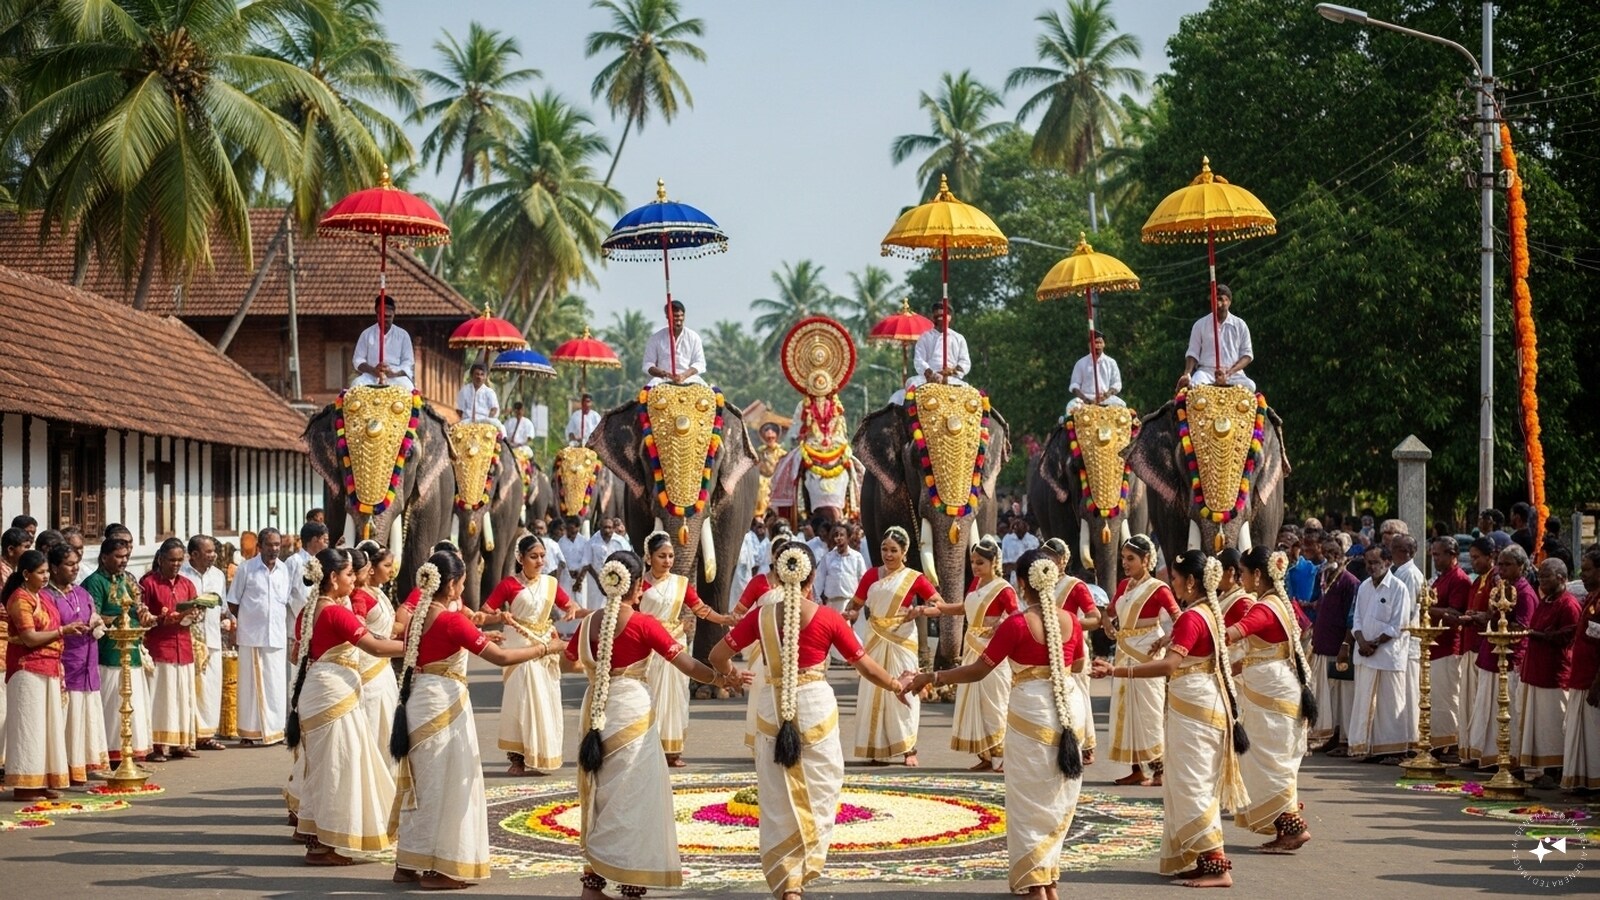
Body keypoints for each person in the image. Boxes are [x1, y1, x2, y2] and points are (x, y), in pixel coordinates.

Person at [712, 544, 907, 899]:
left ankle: (788, 883)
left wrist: (731, 676)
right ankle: (802, 868)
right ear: (813, 576)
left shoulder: (760, 618)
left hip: (771, 709)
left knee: (776, 796)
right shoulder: (829, 618)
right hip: (815, 708)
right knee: (821, 788)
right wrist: (896, 684)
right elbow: (865, 666)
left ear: (777, 575)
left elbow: (717, 655)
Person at [906, 550, 1086, 899]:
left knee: (1028, 799)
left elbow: (978, 670)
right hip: (1068, 709)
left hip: (1031, 712)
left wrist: (932, 676)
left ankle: (1035, 884)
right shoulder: (1071, 622)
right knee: (1056, 796)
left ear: (1021, 584)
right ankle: (1049, 881)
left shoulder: (1016, 625)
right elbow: (1077, 665)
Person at [566, 550, 742, 898]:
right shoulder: (644, 624)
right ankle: (631, 883)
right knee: (634, 795)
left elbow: (567, 661)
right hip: (631, 710)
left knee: (600, 794)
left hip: (595, 711)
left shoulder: (588, 624)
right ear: (635, 587)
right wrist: (720, 679)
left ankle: (592, 885)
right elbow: (686, 664)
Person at [390, 552, 563, 888]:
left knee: (422, 785)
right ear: (452, 585)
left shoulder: (418, 617)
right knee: (448, 785)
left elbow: (450, 644)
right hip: (444, 706)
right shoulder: (451, 620)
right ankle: (439, 869)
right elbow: (502, 657)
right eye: (462, 582)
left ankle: (408, 863)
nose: (463, 588)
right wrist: (546, 648)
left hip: (419, 701)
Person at [1092, 550, 1249, 888]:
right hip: (1199, 705)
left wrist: (1116, 670)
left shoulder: (1194, 617)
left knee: (1192, 784)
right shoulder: (1207, 612)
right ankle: (1202, 859)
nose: (1172, 585)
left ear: (1191, 581)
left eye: (1175, 579)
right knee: (1190, 782)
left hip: (1196, 710)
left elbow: (1169, 665)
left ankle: (1217, 865)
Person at [285, 548, 405, 865]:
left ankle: (319, 839)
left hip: (320, 693)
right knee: (337, 769)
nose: (354, 579)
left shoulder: (310, 610)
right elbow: (375, 647)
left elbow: (297, 654)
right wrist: (420, 644)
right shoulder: (334, 612)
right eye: (350, 574)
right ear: (332, 577)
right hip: (332, 698)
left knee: (325, 768)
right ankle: (323, 846)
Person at [1224, 549, 1315, 853]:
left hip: (1272, 693)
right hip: (1274, 688)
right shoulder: (1277, 603)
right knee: (1267, 761)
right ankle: (1285, 828)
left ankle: (1294, 827)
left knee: (1268, 762)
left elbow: (1232, 635)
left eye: (1243, 572)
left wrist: (1193, 634)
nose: (1240, 578)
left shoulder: (1264, 608)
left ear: (1258, 575)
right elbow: (1259, 654)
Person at [483, 535, 579, 776]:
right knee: (519, 700)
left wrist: (571, 609)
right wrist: (501, 616)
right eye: (533, 557)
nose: (540, 562)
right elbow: (485, 612)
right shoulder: (509, 584)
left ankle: (543, 753)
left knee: (544, 699)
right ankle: (517, 758)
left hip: (544, 646)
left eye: (542, 556)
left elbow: (570, 604)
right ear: (520, 558)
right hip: (517, 645)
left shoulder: (550, 583)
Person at [638, 531, 734, 765]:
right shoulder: (639, 584)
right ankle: (647, 749)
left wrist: (724, 619)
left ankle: (672, 751)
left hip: (675, 646)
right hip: (649, 648)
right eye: (662, 556)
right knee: (650, 696)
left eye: (671, 556)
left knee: (675, 697)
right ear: (649, 557)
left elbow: (700, 609)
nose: (668, 561)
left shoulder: (680, 584)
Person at [846, 526, 938, 765]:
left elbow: (939, 605)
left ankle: (909, 748)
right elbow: (855, 605)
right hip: (875, 638)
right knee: (874, 689)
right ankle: (878, 748)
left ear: (904, 552)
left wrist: (921, 610)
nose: (888, 554)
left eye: (894, 550)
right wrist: (850, 614)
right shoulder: (871, 576)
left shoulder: (914, 578)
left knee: (905, 688)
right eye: (884, 549)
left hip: (902, 640)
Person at [922, 537, 1015, 772]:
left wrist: (1000, 624)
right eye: (973, 562)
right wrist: (940, 609)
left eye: (980, 562)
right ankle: (986, 755)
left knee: (995, 702)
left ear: (994, 562)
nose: (975, 567)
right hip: (972, 648)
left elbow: (1016, 617)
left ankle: (1002, 756)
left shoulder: (1004, 589)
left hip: (992, 651)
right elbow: (965, 608)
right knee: (975, 702)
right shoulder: (976, 584)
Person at [5, 549, 87, 800]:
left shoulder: (43, 597)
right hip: (27, 671)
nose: (46, 576)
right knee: (30, 727)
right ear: (26, 574)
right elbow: (29, 638)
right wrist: (63, 631)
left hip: (49, 668)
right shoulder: (20, 599)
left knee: (47, 727)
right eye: (40, 572)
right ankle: (25, 785)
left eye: (46, 572)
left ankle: (42, 780)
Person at [1105, 534, 1180, 786]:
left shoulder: (1158, 588)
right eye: (1123, 558)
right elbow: (1109, 611)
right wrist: (1108, 624)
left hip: (1146, 652)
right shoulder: (1123, 586)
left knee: (1149, 710)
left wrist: (1167, 639)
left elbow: (1180, 619)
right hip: (1124, 652)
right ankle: (1137, 769)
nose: (1125, 563)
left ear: (1146, 559)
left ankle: (1159, 770)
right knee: (1126, 711)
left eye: (1131, 559)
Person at [1459, 544, 1538, 768]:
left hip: (1509, 661)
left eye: (1507, 565)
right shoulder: (1502, 589)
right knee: (1487, 708)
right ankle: (1489, 756)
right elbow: (1494, 617)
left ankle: (1507, 758)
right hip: (1491, 656)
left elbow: (1520, 628)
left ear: (1521, 567)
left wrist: (1487, 620)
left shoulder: (1524, 593)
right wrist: (1483, 617)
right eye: (1500, 564)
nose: (1501, 569)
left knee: (1507, 709)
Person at [41, 543, 106, 784]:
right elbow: (46, 628)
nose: (75, 568)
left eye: (77, 563)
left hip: (88, 664)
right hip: (65, 666)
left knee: (86, 717)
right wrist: (67, 629)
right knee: (67, 719)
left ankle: (84, 766)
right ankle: (64, 768)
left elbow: (94, 615)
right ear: (54, 568)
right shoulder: (46, 597)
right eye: (69, 564)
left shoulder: (82, 593)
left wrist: (97, 623)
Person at [84, 537, 153, 762]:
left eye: (126, 556)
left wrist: (144, 615)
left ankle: (133, 754)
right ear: (104, 557)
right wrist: (117, 620)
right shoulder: (95, 582)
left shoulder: (127, 579)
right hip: (109, 654)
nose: (124, 561)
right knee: (113, 705)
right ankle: (114, 755)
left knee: (136, 705)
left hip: (132, 651)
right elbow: (92, 616)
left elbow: (138, 607)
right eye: (118, 556)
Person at [1344, 544, 1413, 763]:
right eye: (1368, 562)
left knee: (1390, 704)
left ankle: (1394, 750)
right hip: (1365, 655)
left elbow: (1398, 625)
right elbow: (1357, 619)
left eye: (1375, 562)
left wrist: (1373, 644)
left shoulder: (1398, 588)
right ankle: (1368, 748)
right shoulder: (1364, 586)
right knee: (1364, 702)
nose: (1370, 567)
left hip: (1388, 656)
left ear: (1388, 562)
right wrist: (1361, 642)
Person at [1517, 558, 1582, 788]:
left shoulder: (1568, 604)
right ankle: (1542, 770)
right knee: (1540, 727)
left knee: (1554, 726)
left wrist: (1537, 635)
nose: (1541, 580)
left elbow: (1568, 636)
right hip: (1536, 672)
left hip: (1554, 676)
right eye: (1540, 576)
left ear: (1561, 578)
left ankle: (1557, 771)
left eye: (1546, 576)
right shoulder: (1546, 601)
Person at [228, 527, 292, 746]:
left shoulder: (284, 570)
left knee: (276, 685)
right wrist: (249, 621)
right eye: (270, 545)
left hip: (277, 636)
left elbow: (285, 601)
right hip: (252, 637)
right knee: (250, 687)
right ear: (260, 546)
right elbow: (233, 602)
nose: (274, 549)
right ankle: (250, 733)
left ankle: (275, 731)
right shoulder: (246, 569)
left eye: (277, 545)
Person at [141, 538, 200, 761]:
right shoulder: (149, 583)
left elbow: (196, 608)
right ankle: (157, 745)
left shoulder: (187, 584)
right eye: (171, 560)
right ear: (161, 559)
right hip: (160, 648)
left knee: (183, 697)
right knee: (161, 699)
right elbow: (143, 616)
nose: (176, 564)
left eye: (179, 560)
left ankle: (181, 743)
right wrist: (162, 619)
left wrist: (194, 615)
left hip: (183, 646)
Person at [1310, 534, 1360, 754]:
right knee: (1329, 696)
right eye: (1326, 553)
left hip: (1339, 647)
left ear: (1342, 555)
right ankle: (1332, 735)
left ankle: (1344, 739)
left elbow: (1353, 617)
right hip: (1323, 644)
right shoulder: (1323, 576)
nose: (1330, 557)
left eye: (1334, 553)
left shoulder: (1350, 582)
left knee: (1343, 696)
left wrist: (1346, 645)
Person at [1423, 537, 1472, 759]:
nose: (1434, 558)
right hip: (1434, 646)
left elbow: (1455, 615)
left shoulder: (1459, 579)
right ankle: (1439, 741)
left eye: (1438, 554)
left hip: (1449, 647)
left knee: (1449, 698)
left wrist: (1428, 608)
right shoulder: (1441, 578)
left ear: (1452, 555)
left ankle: (1452, 743)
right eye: (1433, 554)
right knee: (1436, 699)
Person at [181, 535, 231, 750]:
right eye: (208, 552)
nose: (213, 555)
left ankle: (207, 735)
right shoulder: (182, 574)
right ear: (193, 554)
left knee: (210, 688)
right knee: (189, 688)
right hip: (188, 639)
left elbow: (223, 607)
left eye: (213, 551)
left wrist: (227, 621)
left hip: (212, 639)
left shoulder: (218, 575)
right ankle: (188, 735)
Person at [350, 542, 399, 758]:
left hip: (384, 667)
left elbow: (390, 627)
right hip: (369, 670)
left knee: (387, 722)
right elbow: (358, 631)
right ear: (370, 568)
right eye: (387, 565)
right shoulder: (358, 597)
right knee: (372, 724)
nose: (391, 570)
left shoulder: (377, 592)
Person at [1560, 546, 1600, 791]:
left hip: (1592, 681)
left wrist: (1597, 683)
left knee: (1594, 736)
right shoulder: (1591, 599)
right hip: (1580, 678)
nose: (1582, 575)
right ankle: (1584, 782)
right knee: (1583, 734)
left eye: (1587, 570)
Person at [1176, 283, 1254, 390]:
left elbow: (1247, 355)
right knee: (1194, 385)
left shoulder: (1240, 325)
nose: (1217, 303)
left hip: (1232, 374)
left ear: (1229, 302)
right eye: (1214, 299)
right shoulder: (1200, 325)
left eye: (1221, 299)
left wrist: (1228, 373)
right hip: (1206, 373)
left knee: (1250, 386)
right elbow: (1192, 352)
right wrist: (1187, 374)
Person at [351, 294, 414, 391]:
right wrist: (373, 371)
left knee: (408, 387)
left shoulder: (403, 335)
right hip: (371, 377)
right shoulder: (366, 334)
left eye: (388, 316)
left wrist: (393, 372)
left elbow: (408, 362)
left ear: (393, 314)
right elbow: (358, 360)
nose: (385, 320)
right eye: (382, 316)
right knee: (356, 385)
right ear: (377, 314)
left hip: (395, 377)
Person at [815, 522, 868, 634]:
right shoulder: (827, 558)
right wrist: (817, 601)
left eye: (842, 535)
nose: (838, 538)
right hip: (832, 605)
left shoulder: (857, 557)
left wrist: (859, 604)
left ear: (848, 537)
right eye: (836, 535)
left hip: (851, 604)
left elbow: (863, 580)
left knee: (852, 636)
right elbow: (818, 581)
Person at [643, 300, 707, 385]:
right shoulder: (656, 338)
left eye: (681, 315)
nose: (679, 318)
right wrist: (664, 374)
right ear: (667, 317)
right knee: (647, 391)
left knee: (709, 392)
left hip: (689, 379)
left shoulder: (694, 337)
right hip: (662, 380)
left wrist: (684, 375)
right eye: (675, 316)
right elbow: (647, 364)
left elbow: (700, 363)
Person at [908, 308, 971, 392]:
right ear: (933, 317)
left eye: (944, 316)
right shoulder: (924, 337)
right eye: (938, 316)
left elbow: (965, 362)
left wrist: (951, 371)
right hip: (928, 378)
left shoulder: (958, 338)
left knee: (971, 394)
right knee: (911, 384)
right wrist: (931, 373)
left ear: (950, 318)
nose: (941, 319)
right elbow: (919, 360)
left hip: (952, 379)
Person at [1066, 330, 1125, 414]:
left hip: (1106, 398)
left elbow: (1117, 383)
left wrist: (1106, 395)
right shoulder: (1081, 363)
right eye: (1095, 343)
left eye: (1100, 343)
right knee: (1070, 407)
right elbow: (1074, 385)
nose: (1098, 345)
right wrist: (1084, 399)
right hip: (1085, 399)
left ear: (1104, 344)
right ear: (1089, 345)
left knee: (1122, 407)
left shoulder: (1111, 362)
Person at [287, 522, 330, 619]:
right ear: (315, 540)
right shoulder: (294, 561)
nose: (327, 544)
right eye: (325, 540)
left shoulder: (323, 562)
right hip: (295, 618)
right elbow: (285, 593)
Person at [586, 519, 632, 604]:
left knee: (614, 606)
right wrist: (599, 580)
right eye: (605, 527)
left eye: (609, 528)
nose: (607, 530)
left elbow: (628, 560)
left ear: (613, 528)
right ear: (600, 528)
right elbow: (587, 563)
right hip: (595, 584)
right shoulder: (593, 541)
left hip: (617, 582)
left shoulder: (621, 542)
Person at [456, 362, 502, 432]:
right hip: (466, 423)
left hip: (485, 423)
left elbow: (494, 409)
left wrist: (487, 420)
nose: (479, 377)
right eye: (477, 374)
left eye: (482, 374)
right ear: (472, 375)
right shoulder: (464, 390)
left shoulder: (489, 392)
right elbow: (459, 410)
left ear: (485, 377)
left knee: (500, 429)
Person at [558, 517, 590, 611]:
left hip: (581, 577)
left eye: (573, 530)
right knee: (566, 605)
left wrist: (579, 581)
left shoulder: (584, 541)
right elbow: (560, 563)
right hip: (566, 577)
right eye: (569, 529)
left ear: (578, 528)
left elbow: (586, 563)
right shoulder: (561, 542)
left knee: (581, 605)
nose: (571, 532)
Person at [1001, 517, 1039, 585]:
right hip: (1012, 571)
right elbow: (1004, 557)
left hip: (1028, 571)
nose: (1017, 527)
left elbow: (1035, 558)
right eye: (1015, 526)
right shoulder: (1007, 539)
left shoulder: (1033, 540)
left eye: (1020, 525)